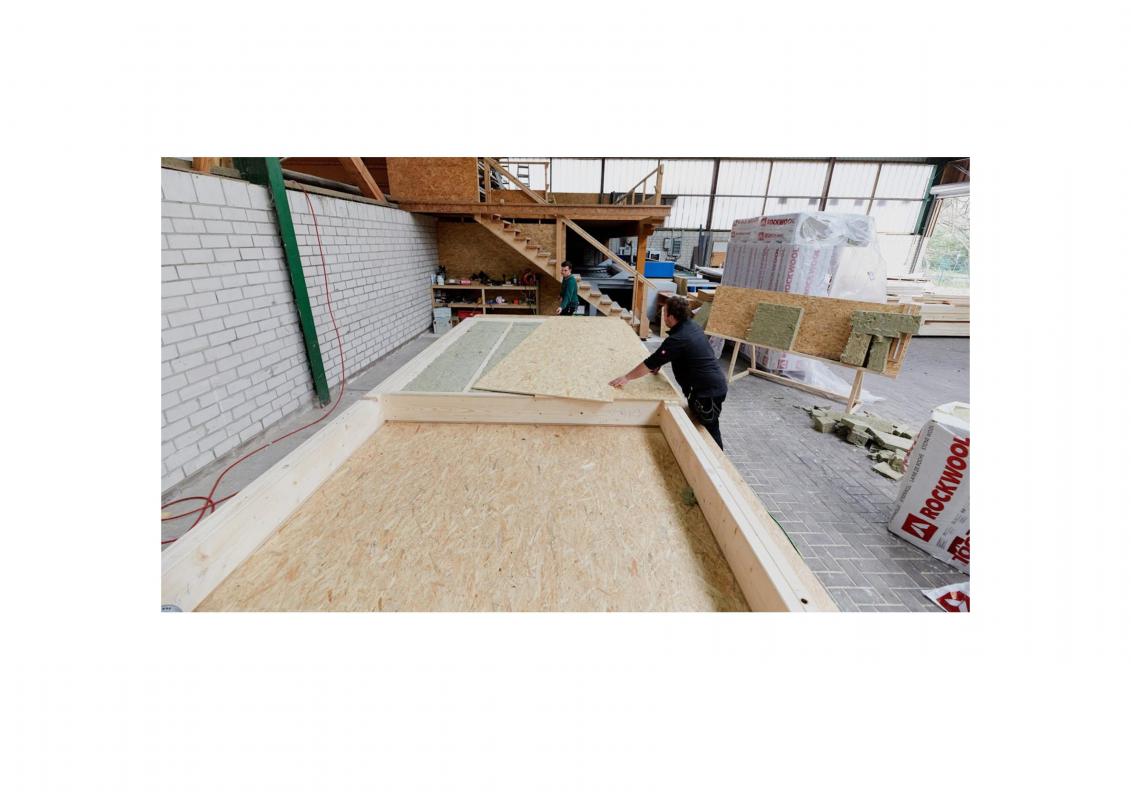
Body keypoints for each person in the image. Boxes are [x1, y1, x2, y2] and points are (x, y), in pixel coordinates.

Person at [608, 295, 728, 449]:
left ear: (671, 317)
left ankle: (719, 458)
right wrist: (659, 363)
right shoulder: (691, 326)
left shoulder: (678, 338)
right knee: (698, 420)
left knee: (709, 428)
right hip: (708, 386)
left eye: (664, 312)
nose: (663, 316)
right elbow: (674, 354)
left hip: (708, 392)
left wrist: (627, 377)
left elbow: (650, 362)